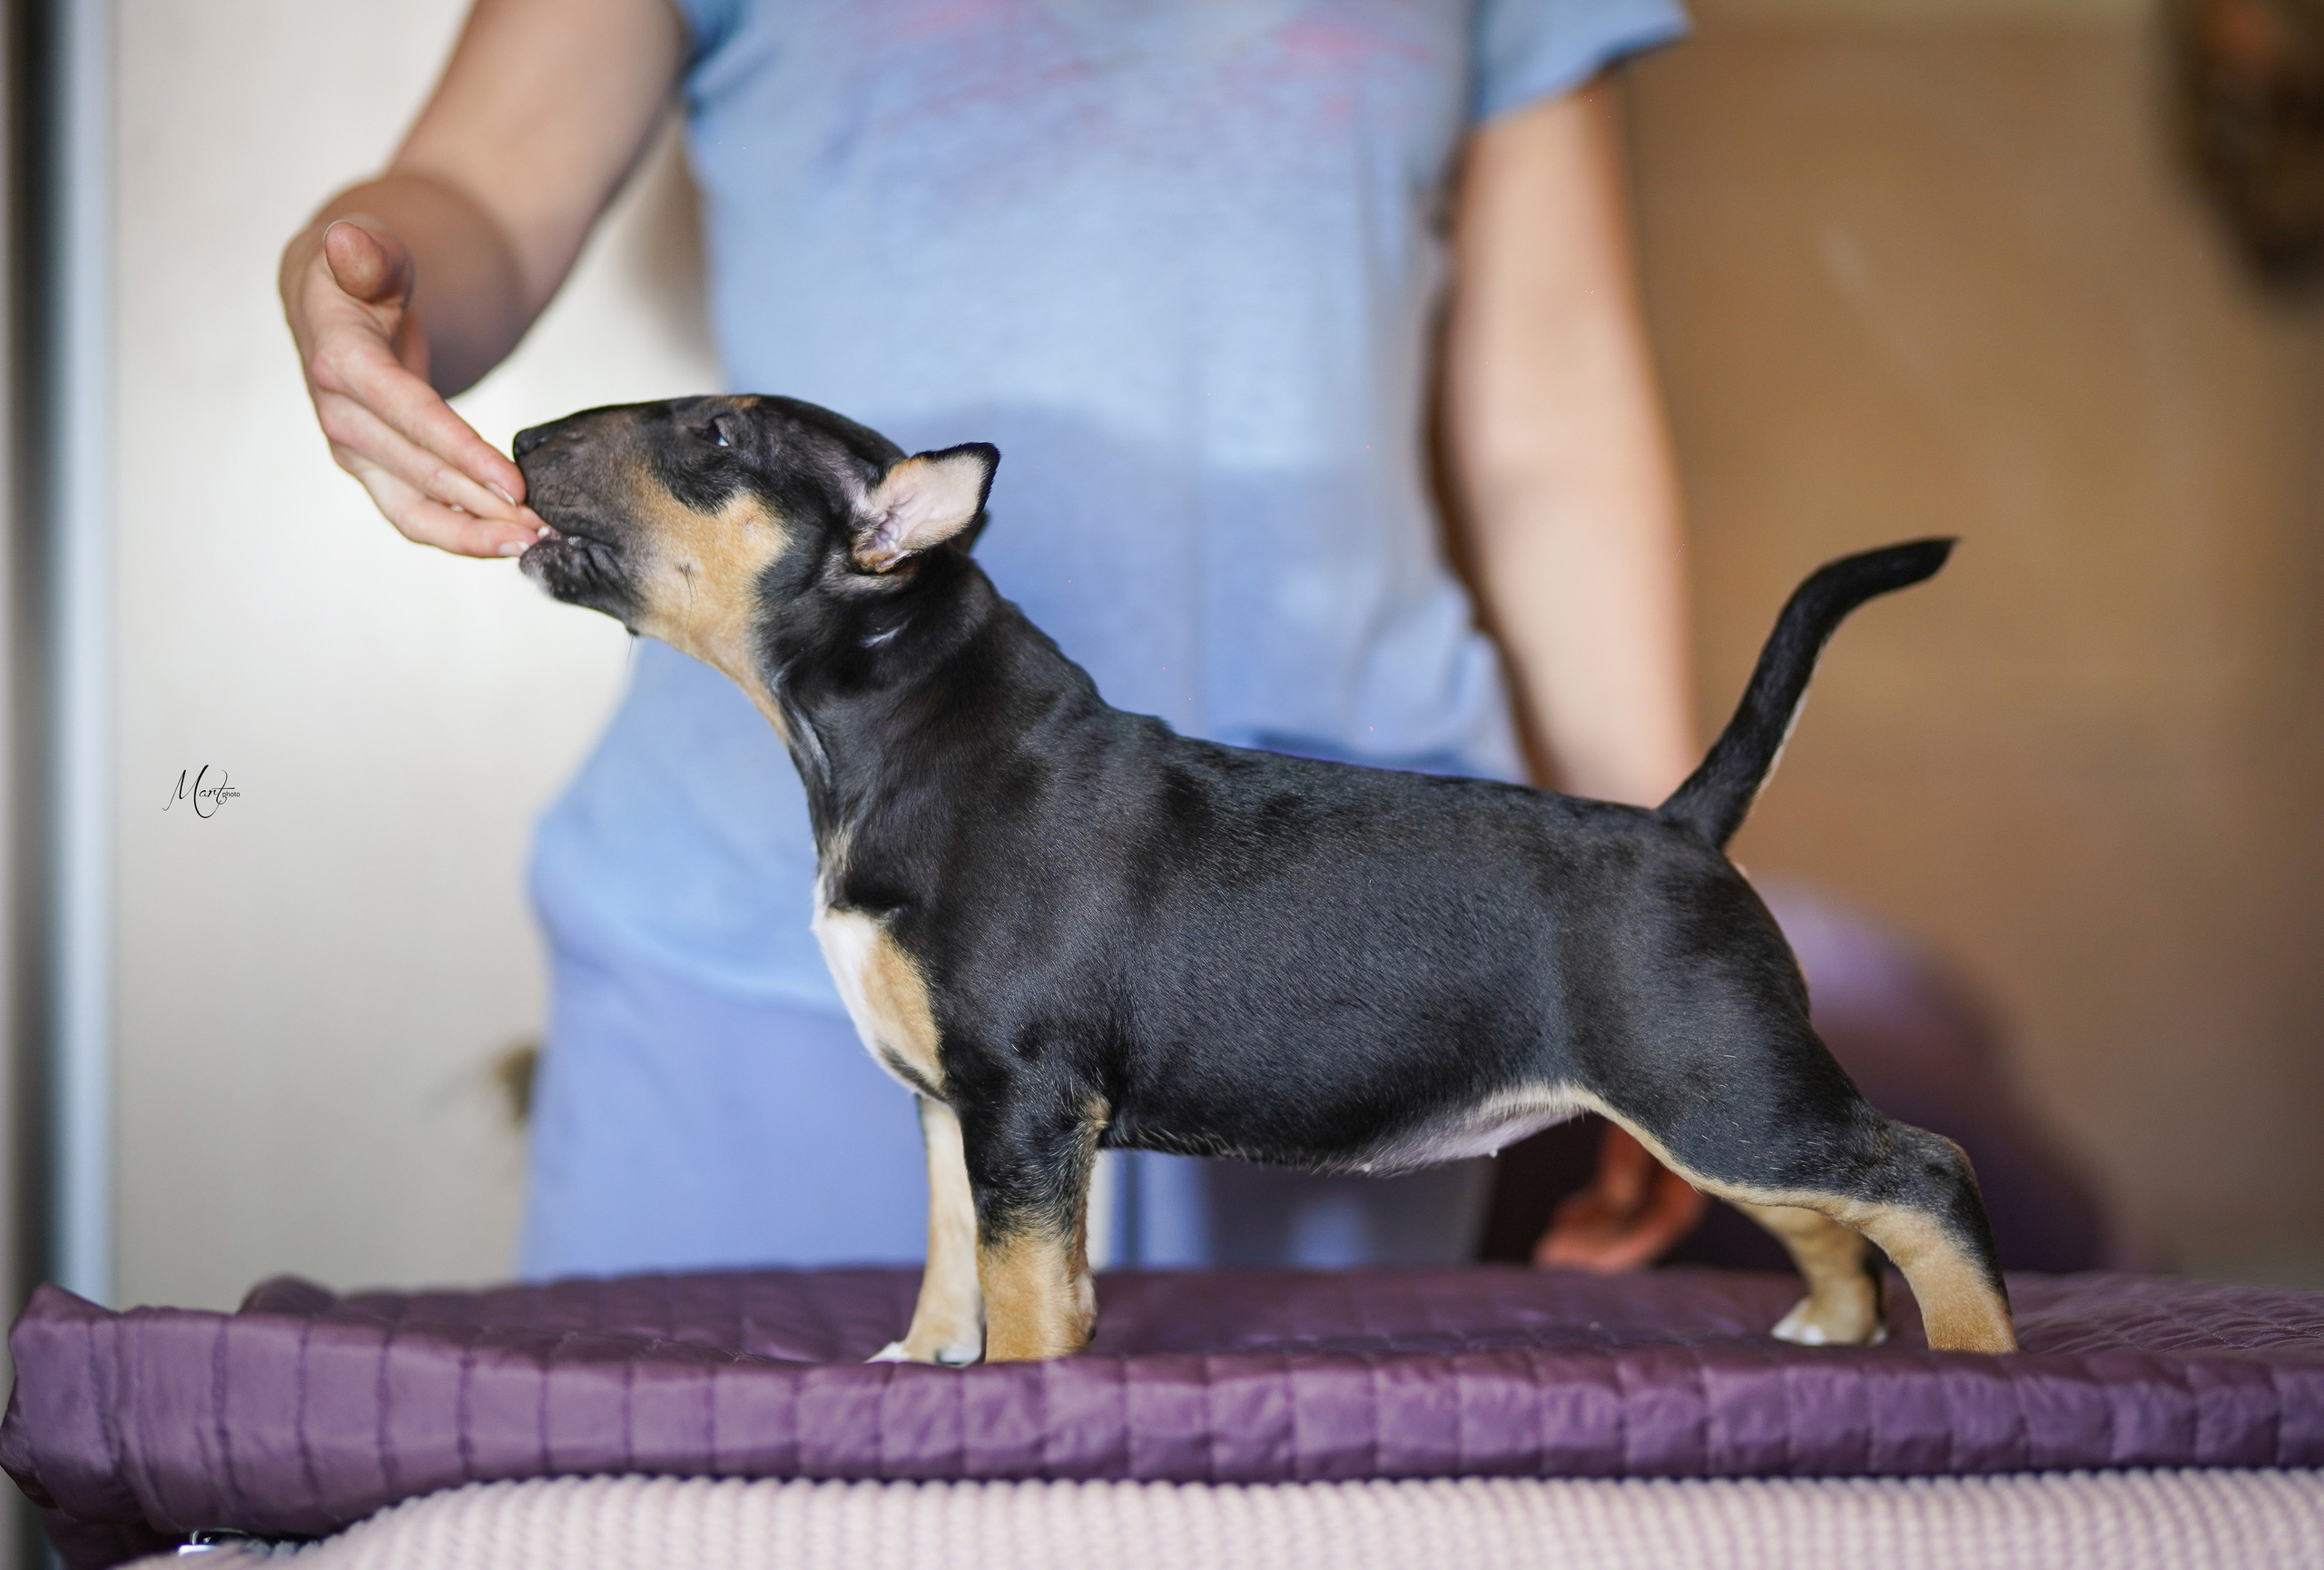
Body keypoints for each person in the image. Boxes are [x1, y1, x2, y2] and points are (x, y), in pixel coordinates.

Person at [279, 0, 1698, 1279]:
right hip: (755, 955)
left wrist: (1648, 910)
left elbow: (1550, 419)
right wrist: (368, 289)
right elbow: (474, 194)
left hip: (1337, 938)